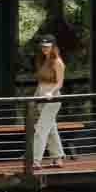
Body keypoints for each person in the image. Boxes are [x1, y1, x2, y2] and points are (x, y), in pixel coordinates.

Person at [32, 33, 65, 167]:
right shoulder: (43, 60)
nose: (45, 49)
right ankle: (58, 158)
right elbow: (40, 82)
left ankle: (35, 161)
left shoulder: (58, 62)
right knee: (50, 129)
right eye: (43, 47)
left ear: (53, 47)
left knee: (40, 129)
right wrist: (35, 97)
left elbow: (60, 83)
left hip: (53, 99)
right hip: (40, 96)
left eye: (47, 47)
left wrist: (51, 92)